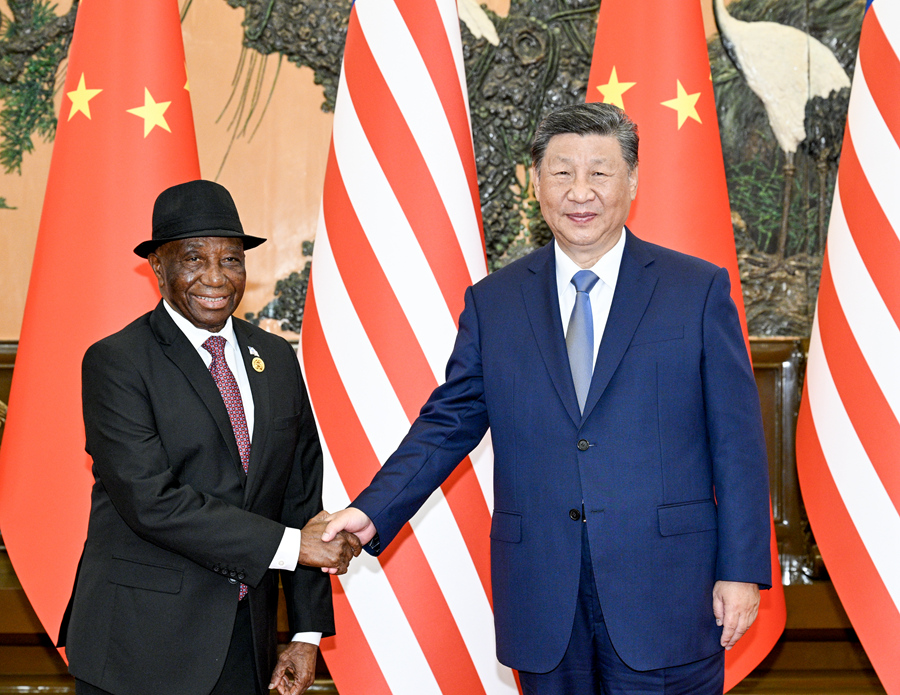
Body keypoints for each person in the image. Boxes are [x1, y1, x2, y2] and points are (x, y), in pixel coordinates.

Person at [321, 103, 772, 693]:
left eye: (600, 172)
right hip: (542, 593)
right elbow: (448, 422)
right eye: (561, 173)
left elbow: (738, 444)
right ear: (536, 184)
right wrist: (370, 510)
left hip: (667, 590)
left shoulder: (697, 290)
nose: (579, 192)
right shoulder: (495, 303)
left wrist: (740, 571)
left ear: (632, 181)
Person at [60, 180, 360, 695]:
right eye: (194, 258)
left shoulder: (277, 359)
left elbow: (300, 496)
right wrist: (293, 547)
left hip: (247, 644)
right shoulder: (117, 362)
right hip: (141, 646)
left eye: (232, 259)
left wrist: (306, 632)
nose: (216, 277)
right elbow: (151, 501)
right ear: (158, 266)